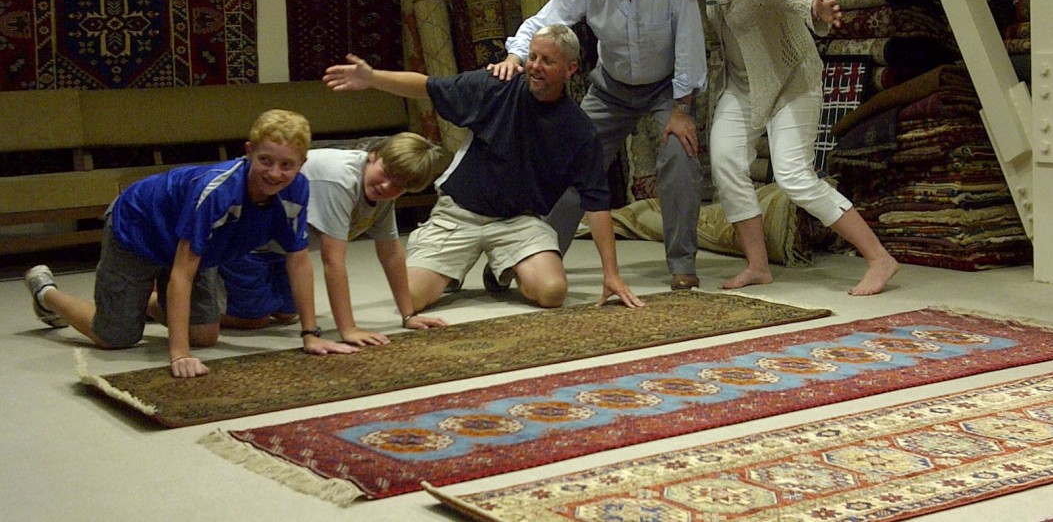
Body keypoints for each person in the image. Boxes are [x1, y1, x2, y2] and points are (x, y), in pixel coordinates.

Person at [677, 0, 900, 296]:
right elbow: (716, 0)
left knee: (795, 177)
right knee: (725, 163)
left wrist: (816, 6)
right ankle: (758, 266)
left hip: (791, 81)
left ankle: (879, 258)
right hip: (742, 85)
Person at [323, 24, 644, 311]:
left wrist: (611, 274)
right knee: (407, 297)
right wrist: (372, 78)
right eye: (532, 57)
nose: (535, 66)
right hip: (458, 214)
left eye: (548, 61)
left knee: (552, 293)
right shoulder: (497, 86)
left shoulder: (580, 130)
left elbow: (596, 203)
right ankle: (449, 271)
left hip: (519, 222)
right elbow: (428, 86)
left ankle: (504, 267)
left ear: (570, 69)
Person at [24, 109, 358, 378]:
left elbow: (298, 261)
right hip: (139, 230)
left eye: (287, 165)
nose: (274, 173)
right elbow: (183, 272)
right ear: (248, 152)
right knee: (116, 337)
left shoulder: (297, 191)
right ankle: (46, 294)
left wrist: (310, 334)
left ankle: (146, 301)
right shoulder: (219, 191)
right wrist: (179, 354)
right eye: (265, 160)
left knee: (204, 336)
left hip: (193, 247)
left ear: (302, 164)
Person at [489, 0, 707, 291]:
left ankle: (682, 263)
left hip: (666, 88)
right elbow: (542, 21)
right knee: (568, 160)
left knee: (680, 153)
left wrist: (681, 110)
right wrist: (515, 56)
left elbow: (690, 44)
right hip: (611, 89)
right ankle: (536, 258)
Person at [216, 133, 450, 343]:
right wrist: (348, 329)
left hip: (283, 250)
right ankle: (203, 308)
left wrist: (408, 315)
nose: (387, 186)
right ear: (374, 156)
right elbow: (333, 260)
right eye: (386, 174)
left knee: (287, 314)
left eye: (399, 186)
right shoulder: (340, 179)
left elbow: (390, 252)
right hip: (242, 241)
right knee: (255, 319)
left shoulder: (382, 191)